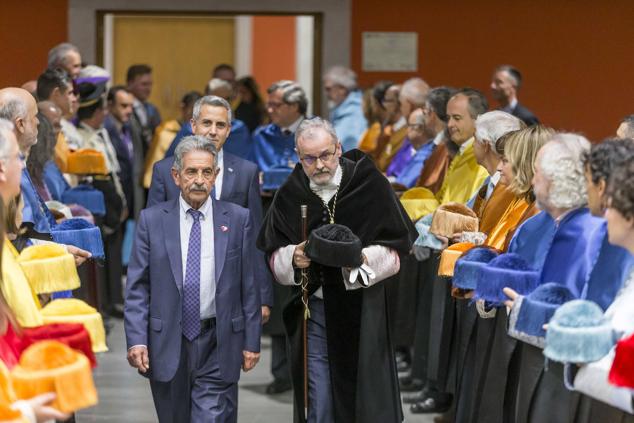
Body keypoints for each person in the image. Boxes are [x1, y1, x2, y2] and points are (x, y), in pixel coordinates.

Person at [257, 117, 416, 423]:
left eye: (326, 155)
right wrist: (292, 257)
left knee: (365, 400)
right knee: (320, 400)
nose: (319, 165)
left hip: (363, 311)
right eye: (309, 158)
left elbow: (397, 250)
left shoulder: (368, 183)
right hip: (314, 310)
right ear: (298, 156)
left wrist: (360, 260)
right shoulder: (291, 192)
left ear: (338, 148)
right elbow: (272, 252)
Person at [125, 135, 261, 422]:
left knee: (209, 417)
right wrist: (136, 339)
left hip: (217, 339)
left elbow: (248, 285)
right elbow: (138, 287)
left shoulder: (237, 219)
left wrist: (252, 341)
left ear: (216, 175)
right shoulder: (152, 221)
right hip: (166, 341)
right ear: (176, 176)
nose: (199, 180)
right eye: (191, 172)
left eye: (206, 172)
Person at [146, 95, 273, 324]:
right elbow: (151, 237)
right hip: (175, 289)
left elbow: (255, 238)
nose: (213, 131)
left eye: (220, 125)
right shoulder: (165, 172)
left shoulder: (246, 172)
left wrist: (262, 296)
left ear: (228, 130)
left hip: (228, 294)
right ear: (192, 126)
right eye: (206, 123)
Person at [401, 88, 489, 221]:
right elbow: (443, 201)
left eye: (457, 118)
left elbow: (463, 213)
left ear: (477, 120)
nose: (450, 124)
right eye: (448, 118)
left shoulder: (479, 159)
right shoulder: (463, 151)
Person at [143, 91, 202, 188]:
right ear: (183, 108)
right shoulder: (166, 131)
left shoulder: (204, 134)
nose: (195, 116)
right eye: (192, 111)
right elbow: (155, 165)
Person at [105, 85, 145, 221]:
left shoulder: (132, 128)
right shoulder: (104, 131)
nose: (129, 111)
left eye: (131, 106)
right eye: (123, 106)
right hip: (111, 204)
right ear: (110, 105)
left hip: (130, 201)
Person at [253, 80, 307, 173]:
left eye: (275, 105)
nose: (270, 110)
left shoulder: (319, 134)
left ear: (294, 106)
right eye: (268, 105)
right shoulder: (262, 136)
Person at [414, 87, 456, 193]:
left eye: (425, 111)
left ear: (431, 113)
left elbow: (431, 186)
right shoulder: (438, 144)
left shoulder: (446, 148)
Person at [387, 108, 436, 189]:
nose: (407, 129)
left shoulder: (427, 154)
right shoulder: (417, 150)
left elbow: (404, 185)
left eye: (409, 125)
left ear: (419, 128)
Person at [323, 66, 367, 152]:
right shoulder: (343, 110)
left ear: (342, 89)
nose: (326, 94)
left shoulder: (355, 112)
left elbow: (350, 149)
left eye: (328, 89)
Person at [36, 68, 82, 151]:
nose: (74, 99)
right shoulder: (37, 129)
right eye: (70, 93)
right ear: (56, 93)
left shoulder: (69, 128)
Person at [372, 84, 408, 172]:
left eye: (386, 100)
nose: (383, 105)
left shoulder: (406, 133)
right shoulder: (389, 130)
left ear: (398, 104)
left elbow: (385, 165)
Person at [126, 64, 162, 148]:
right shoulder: (123, 109)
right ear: (130, 83)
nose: (148, 89)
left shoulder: (152, 110)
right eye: (144, 84)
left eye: (150, 84)